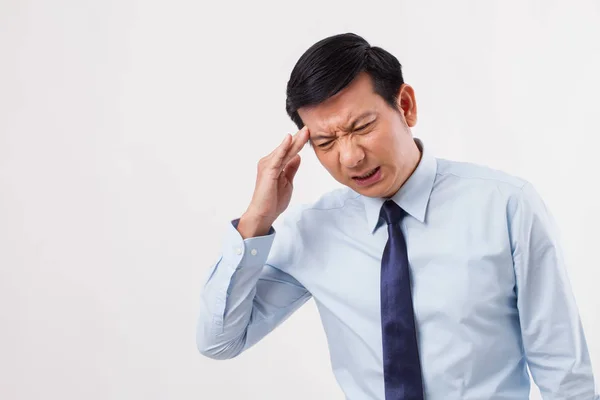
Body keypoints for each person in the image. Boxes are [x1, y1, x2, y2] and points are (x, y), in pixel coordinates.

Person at [196, 33, 598, 399]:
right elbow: (220, 341)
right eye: (325, 141)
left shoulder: (506, 206)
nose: (350, 156)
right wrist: (255, 220)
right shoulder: (313, 231)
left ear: (405, 106)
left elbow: (564, 372)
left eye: (362, 126)